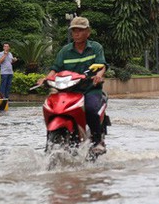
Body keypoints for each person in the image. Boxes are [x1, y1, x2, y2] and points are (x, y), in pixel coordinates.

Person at [37, 16, 108, 153]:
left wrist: (98, 76)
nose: (76, 33)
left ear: (88, 32)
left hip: (90, 89)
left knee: (92, 109)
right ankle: (50, 142)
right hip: (69, 90)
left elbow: (102, 66)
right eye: (74, 30)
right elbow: (55, 69)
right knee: (53, 108)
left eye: (80, 30)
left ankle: (98, 141)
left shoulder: (95, 48)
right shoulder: (65, 51)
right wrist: (45, 79)